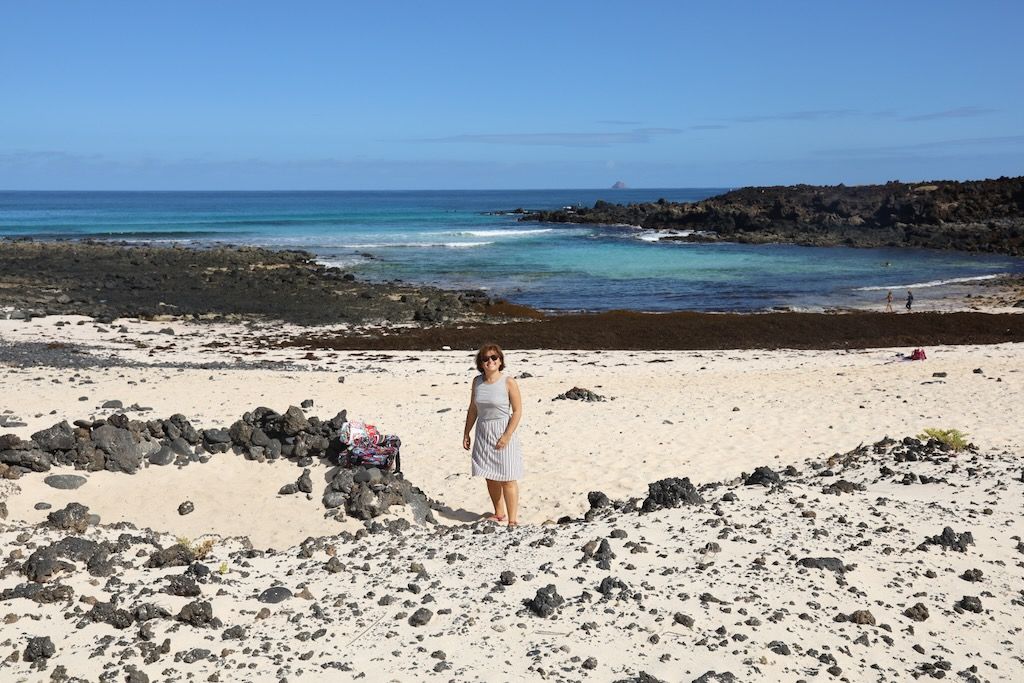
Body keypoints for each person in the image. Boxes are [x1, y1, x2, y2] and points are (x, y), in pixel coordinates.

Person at [463, 343, 523, 528]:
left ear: (500, 361)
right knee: (490, 475)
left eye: (494, 358)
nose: (490, 361)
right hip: (483, 431)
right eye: (485, 358)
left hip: (502, 431)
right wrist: (466, 432)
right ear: (480, 363)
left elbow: (517, 411)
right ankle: (499, 514)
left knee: (508, 477)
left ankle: (512, 521)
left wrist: (507, 435)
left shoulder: (508, 382)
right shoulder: (477, 381)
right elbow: (473, 409)